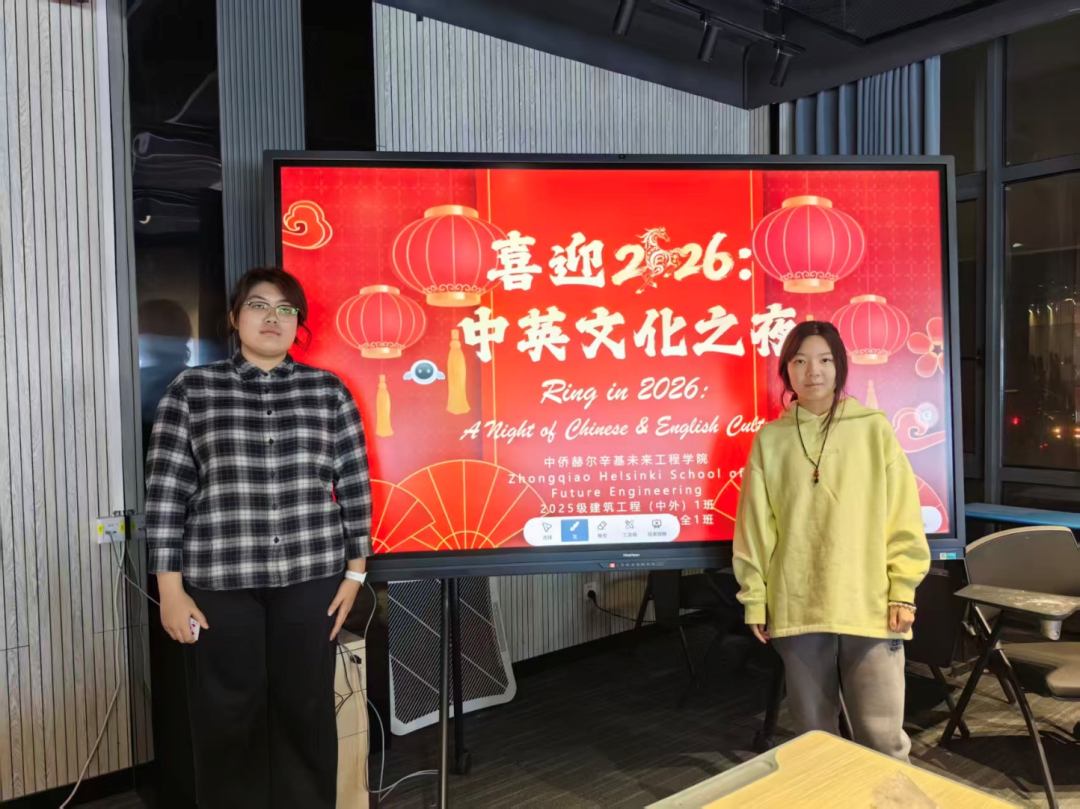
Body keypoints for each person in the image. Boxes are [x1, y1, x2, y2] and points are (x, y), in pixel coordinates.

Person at [145, 267, 372, 808]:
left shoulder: (328, 392)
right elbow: (166, 494)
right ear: (234, 317)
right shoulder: (192, 391)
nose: (273, 317)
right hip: (220, 583)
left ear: (298, 324)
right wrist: (169, 591)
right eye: (258, 305)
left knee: (307, 709)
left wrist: (356, 575)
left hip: (311, 578)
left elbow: (354, 485)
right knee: (228, 716)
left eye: (286, 309)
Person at [732, 320, 930, 763]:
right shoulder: (770, 440)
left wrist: (903, 589)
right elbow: (755, 529)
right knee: (814, 740)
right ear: (786, 370)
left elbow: (902, 514)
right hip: (798, 603)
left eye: (824, 360)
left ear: (839, 366)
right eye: (800, 361)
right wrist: (755, 599)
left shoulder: (873, 429)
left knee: (882, 739)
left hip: (869, 603)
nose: (813, 371)